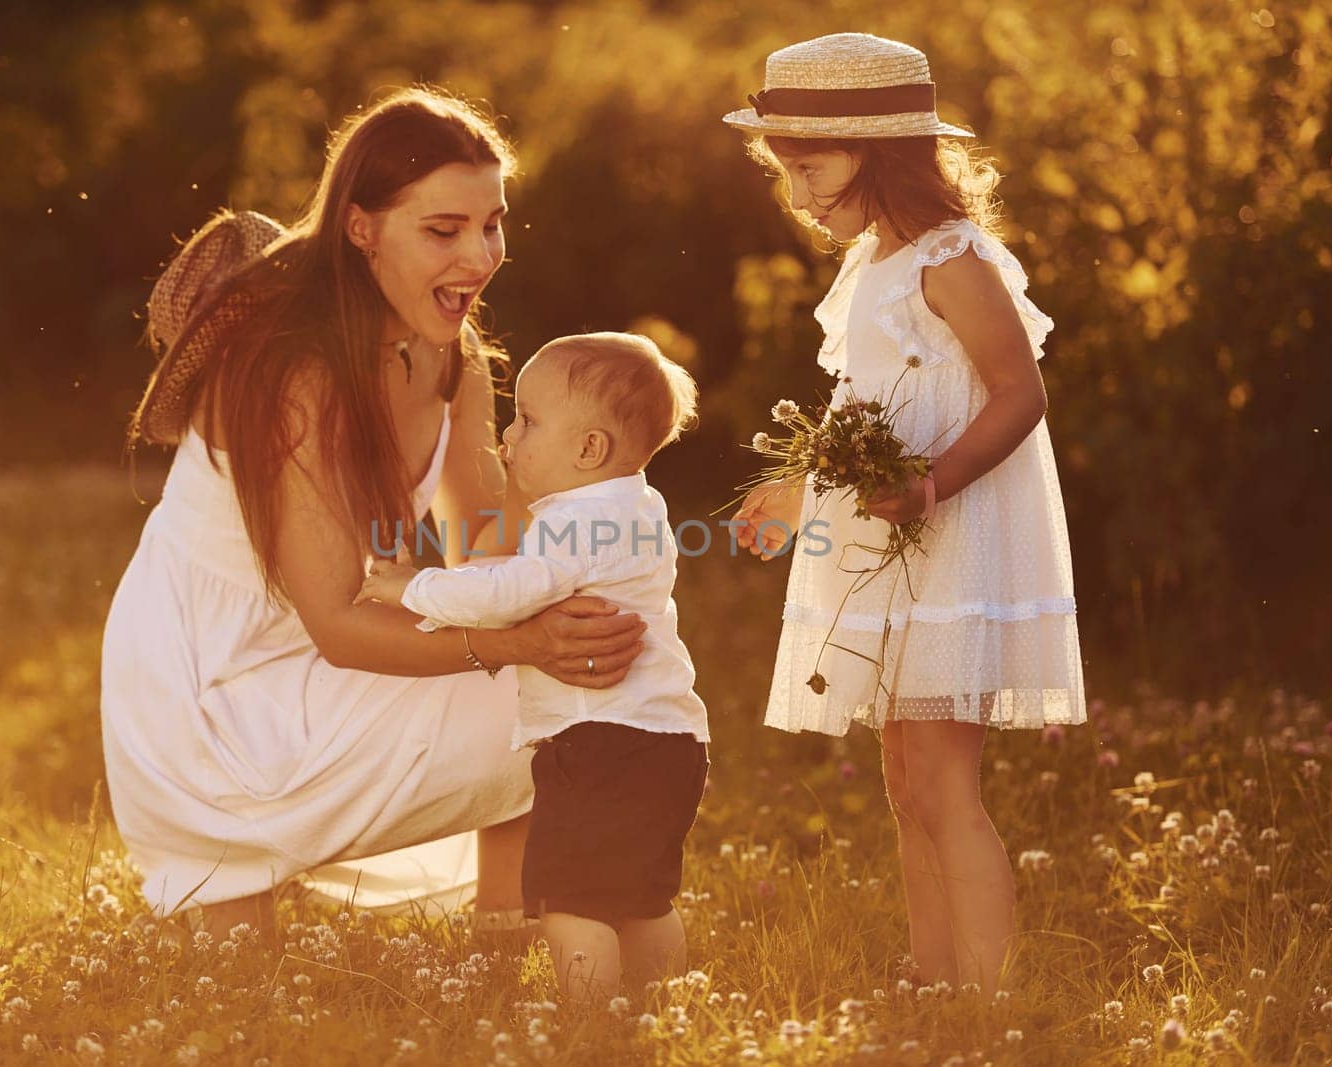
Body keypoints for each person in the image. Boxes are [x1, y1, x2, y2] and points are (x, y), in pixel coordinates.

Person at [99, 88, 648, 943]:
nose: (480, 255)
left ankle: (507, 927)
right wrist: (520, 643)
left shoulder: (452, 359)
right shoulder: (299, 379)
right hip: (213, 696)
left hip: (320, 670)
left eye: (492, 223)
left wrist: (569, 591)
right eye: (443, 230)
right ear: (361, 228)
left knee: (568, 685)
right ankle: (234, 853)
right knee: (229, 966)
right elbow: (340, 626)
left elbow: (487, 554)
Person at [724, 34, 1087, 988]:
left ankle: (988, 993)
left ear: (875, 150)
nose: (798, 196)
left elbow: (1019, 392)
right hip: (893, 542)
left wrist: (929, 485)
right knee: (903, 779)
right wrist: (803, 487)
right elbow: (863, 410)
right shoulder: (874, 263)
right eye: (786, 173)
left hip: (952, 536)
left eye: (809, 170)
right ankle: (934, 977)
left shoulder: (952, 256)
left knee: (941, 778)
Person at [354, 333, 709, 999]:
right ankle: (667, 1004)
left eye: (526, 420)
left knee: (573, 903)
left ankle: (587, 1024)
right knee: (642, 900)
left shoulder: (571, 523)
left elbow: (502, 594)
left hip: (602, 740)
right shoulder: (639, 508)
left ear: (588, 449)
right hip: (672, 741)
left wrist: (407, 587)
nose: (508, 437)